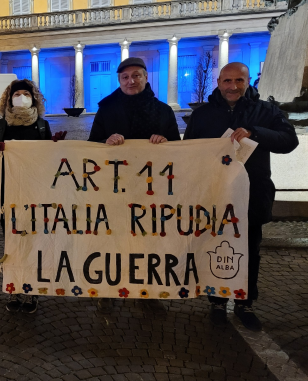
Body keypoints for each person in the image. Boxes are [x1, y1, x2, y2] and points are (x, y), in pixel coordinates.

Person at [183, 62, 298, 331]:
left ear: (247, 82)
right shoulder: (203, 114)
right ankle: (218, 301)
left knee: (250, 250)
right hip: (214, 194)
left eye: (238, 81)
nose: (232, 86)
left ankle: (245, 302)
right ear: (219, 81)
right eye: (227, 81)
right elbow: (188, 150)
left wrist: (254, 133)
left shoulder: (266, 110)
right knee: (213, 246)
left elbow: (289, 140)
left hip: (252, 192)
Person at [88, 57, 181, 312]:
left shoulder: (163, 111)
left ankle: (147, 291)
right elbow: (92, 144)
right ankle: (107, 288)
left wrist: (165, 142)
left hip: (152, 189)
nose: (131, 81)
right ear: (119, 80)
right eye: (125, 77)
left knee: (148, 240)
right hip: (114, 187)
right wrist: (107, 140)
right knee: (112, 237)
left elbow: (178, 149)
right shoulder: (107, 108)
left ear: (146, 77)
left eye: (136, 76)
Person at [0, 79, 53, 314]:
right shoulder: (0, 125)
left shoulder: (41, 126)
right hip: (8, 194)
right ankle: (14, 289)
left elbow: (49, 159)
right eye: (16, 93)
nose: (21, 97)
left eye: (25, 93)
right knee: (11, 243)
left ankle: (33, 291)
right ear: (9, 98)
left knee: (34, 242)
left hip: (34, 193)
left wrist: (56, 147)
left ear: (33, 97)